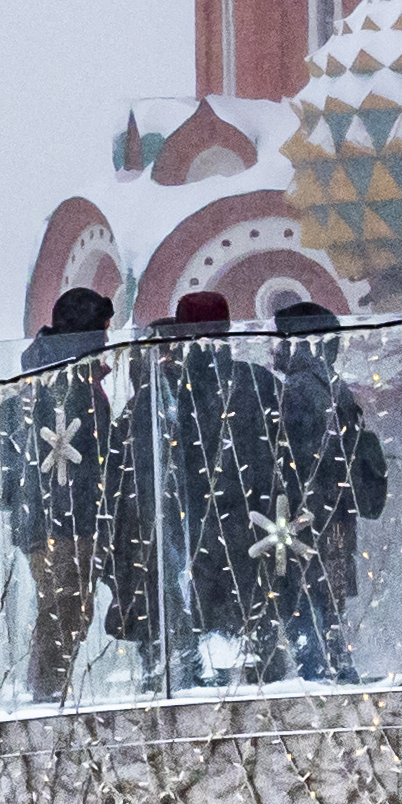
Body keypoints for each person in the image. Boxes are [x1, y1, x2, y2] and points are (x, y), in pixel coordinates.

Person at [0, 286, 133, 703]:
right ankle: (44, 696)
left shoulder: (46, 377)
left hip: (50, 518)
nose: (108, 340)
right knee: (66, 608)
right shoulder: (67, 382)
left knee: (67, 608)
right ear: (89, 333)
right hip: (66, 518)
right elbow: (81, 452)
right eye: (104, 330)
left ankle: (46, 692)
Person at [147, 292, 285, 685]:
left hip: (191, 516)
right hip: (253, 515)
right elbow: (279, 454)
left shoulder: (172, 387)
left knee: (202, 607)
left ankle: (208, 683)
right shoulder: (256, 381)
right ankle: (262, 680)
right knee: (253, 601)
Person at [262, 298, 390, 684]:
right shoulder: (333, 385)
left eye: (280, 341)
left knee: (305, 596)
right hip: (336, 511)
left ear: (297, 342)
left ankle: (317, 671)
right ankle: (338, 667)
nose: (274, 349)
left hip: (307, 513)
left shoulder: (298, 388)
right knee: (328, 598)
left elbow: (294, 459)